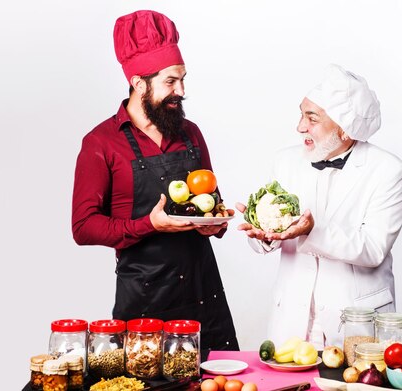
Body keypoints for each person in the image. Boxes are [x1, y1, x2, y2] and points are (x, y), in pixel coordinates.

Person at [71, 10, 239, 350]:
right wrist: (148, 224)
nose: (181, 91)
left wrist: (215, 225)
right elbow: (83, 227)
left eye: (183, 79)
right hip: (144, 300)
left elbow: (213, 204)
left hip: (203, 293)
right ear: (138, 83)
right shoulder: (102, 143)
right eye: (170, 82)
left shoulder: (190, 134)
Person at [237, 64, 402, 349]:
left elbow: (373, 249)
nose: (300, 127)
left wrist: (310, 231)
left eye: (312, 118)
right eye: (301, 114)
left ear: (344, 128)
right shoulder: (285, 161)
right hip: (293, 323)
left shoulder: (389, 171)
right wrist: (262, 234)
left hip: (357, 324)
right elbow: (269, 239)